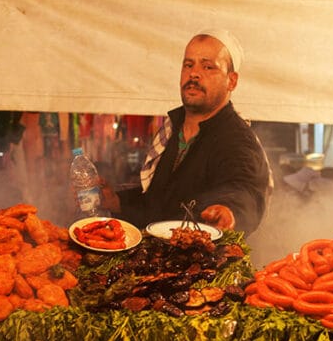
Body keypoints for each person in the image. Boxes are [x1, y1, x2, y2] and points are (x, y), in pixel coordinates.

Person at [105, 29, 271, 234]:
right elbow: (159, 203)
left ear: (232, 81)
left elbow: (246, 191)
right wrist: (116, 201)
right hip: (158, 258)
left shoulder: (237, 140)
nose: (194, 73)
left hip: (204, 263)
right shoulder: (171, 131)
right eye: (188, 65)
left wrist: (230, 210)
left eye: (208, 66)